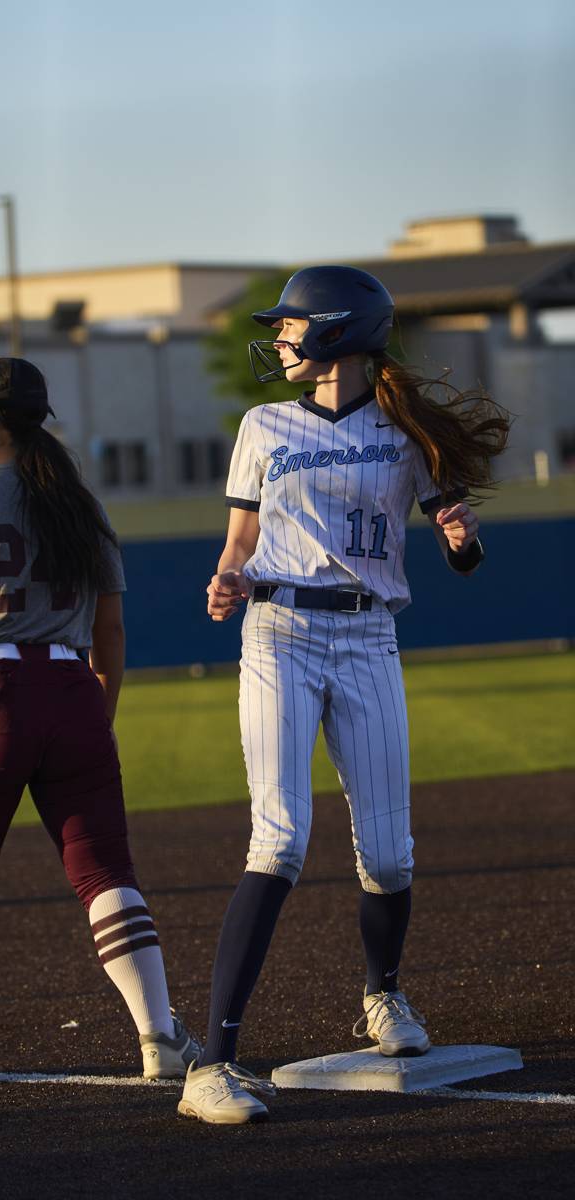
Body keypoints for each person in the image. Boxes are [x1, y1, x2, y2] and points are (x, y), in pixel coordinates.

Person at [177, 266, 510, 1125]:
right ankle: (211, 1066)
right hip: (278, 631)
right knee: (280, 836)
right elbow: (239, 544)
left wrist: (463, 540)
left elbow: (460, 547)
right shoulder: (262, 424)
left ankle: (384, 995)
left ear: (336, 332)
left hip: (368, 634)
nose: (280, 338)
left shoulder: (405, 433)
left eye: (291, 325)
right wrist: (224, 580)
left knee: (390, 856)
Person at [0, 355, 199, 1088]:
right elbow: (112, 634)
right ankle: (157, 1037)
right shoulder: (83, 505)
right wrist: (96, 718)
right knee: (107, 875)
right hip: (72, 686)